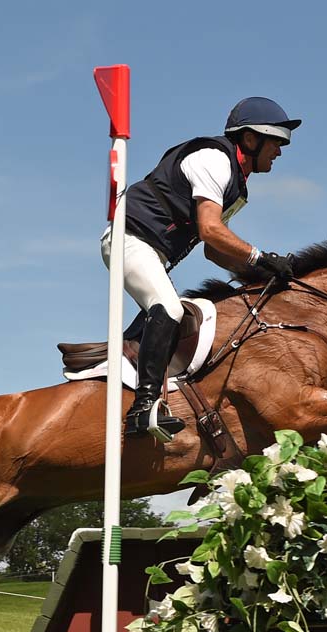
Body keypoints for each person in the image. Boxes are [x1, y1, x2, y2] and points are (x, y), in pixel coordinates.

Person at [103, 96, 301, 441]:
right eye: (277, 142)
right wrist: (258, 256)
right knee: (168, 308)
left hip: (151, 252)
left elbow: (213, 251)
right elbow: (211, 230)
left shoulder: (237, 188)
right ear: (251, 139)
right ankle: (143, 407)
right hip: (128, 238)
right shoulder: (214, 160)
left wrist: (260, 272)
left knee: (180, 314)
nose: (280, 152)